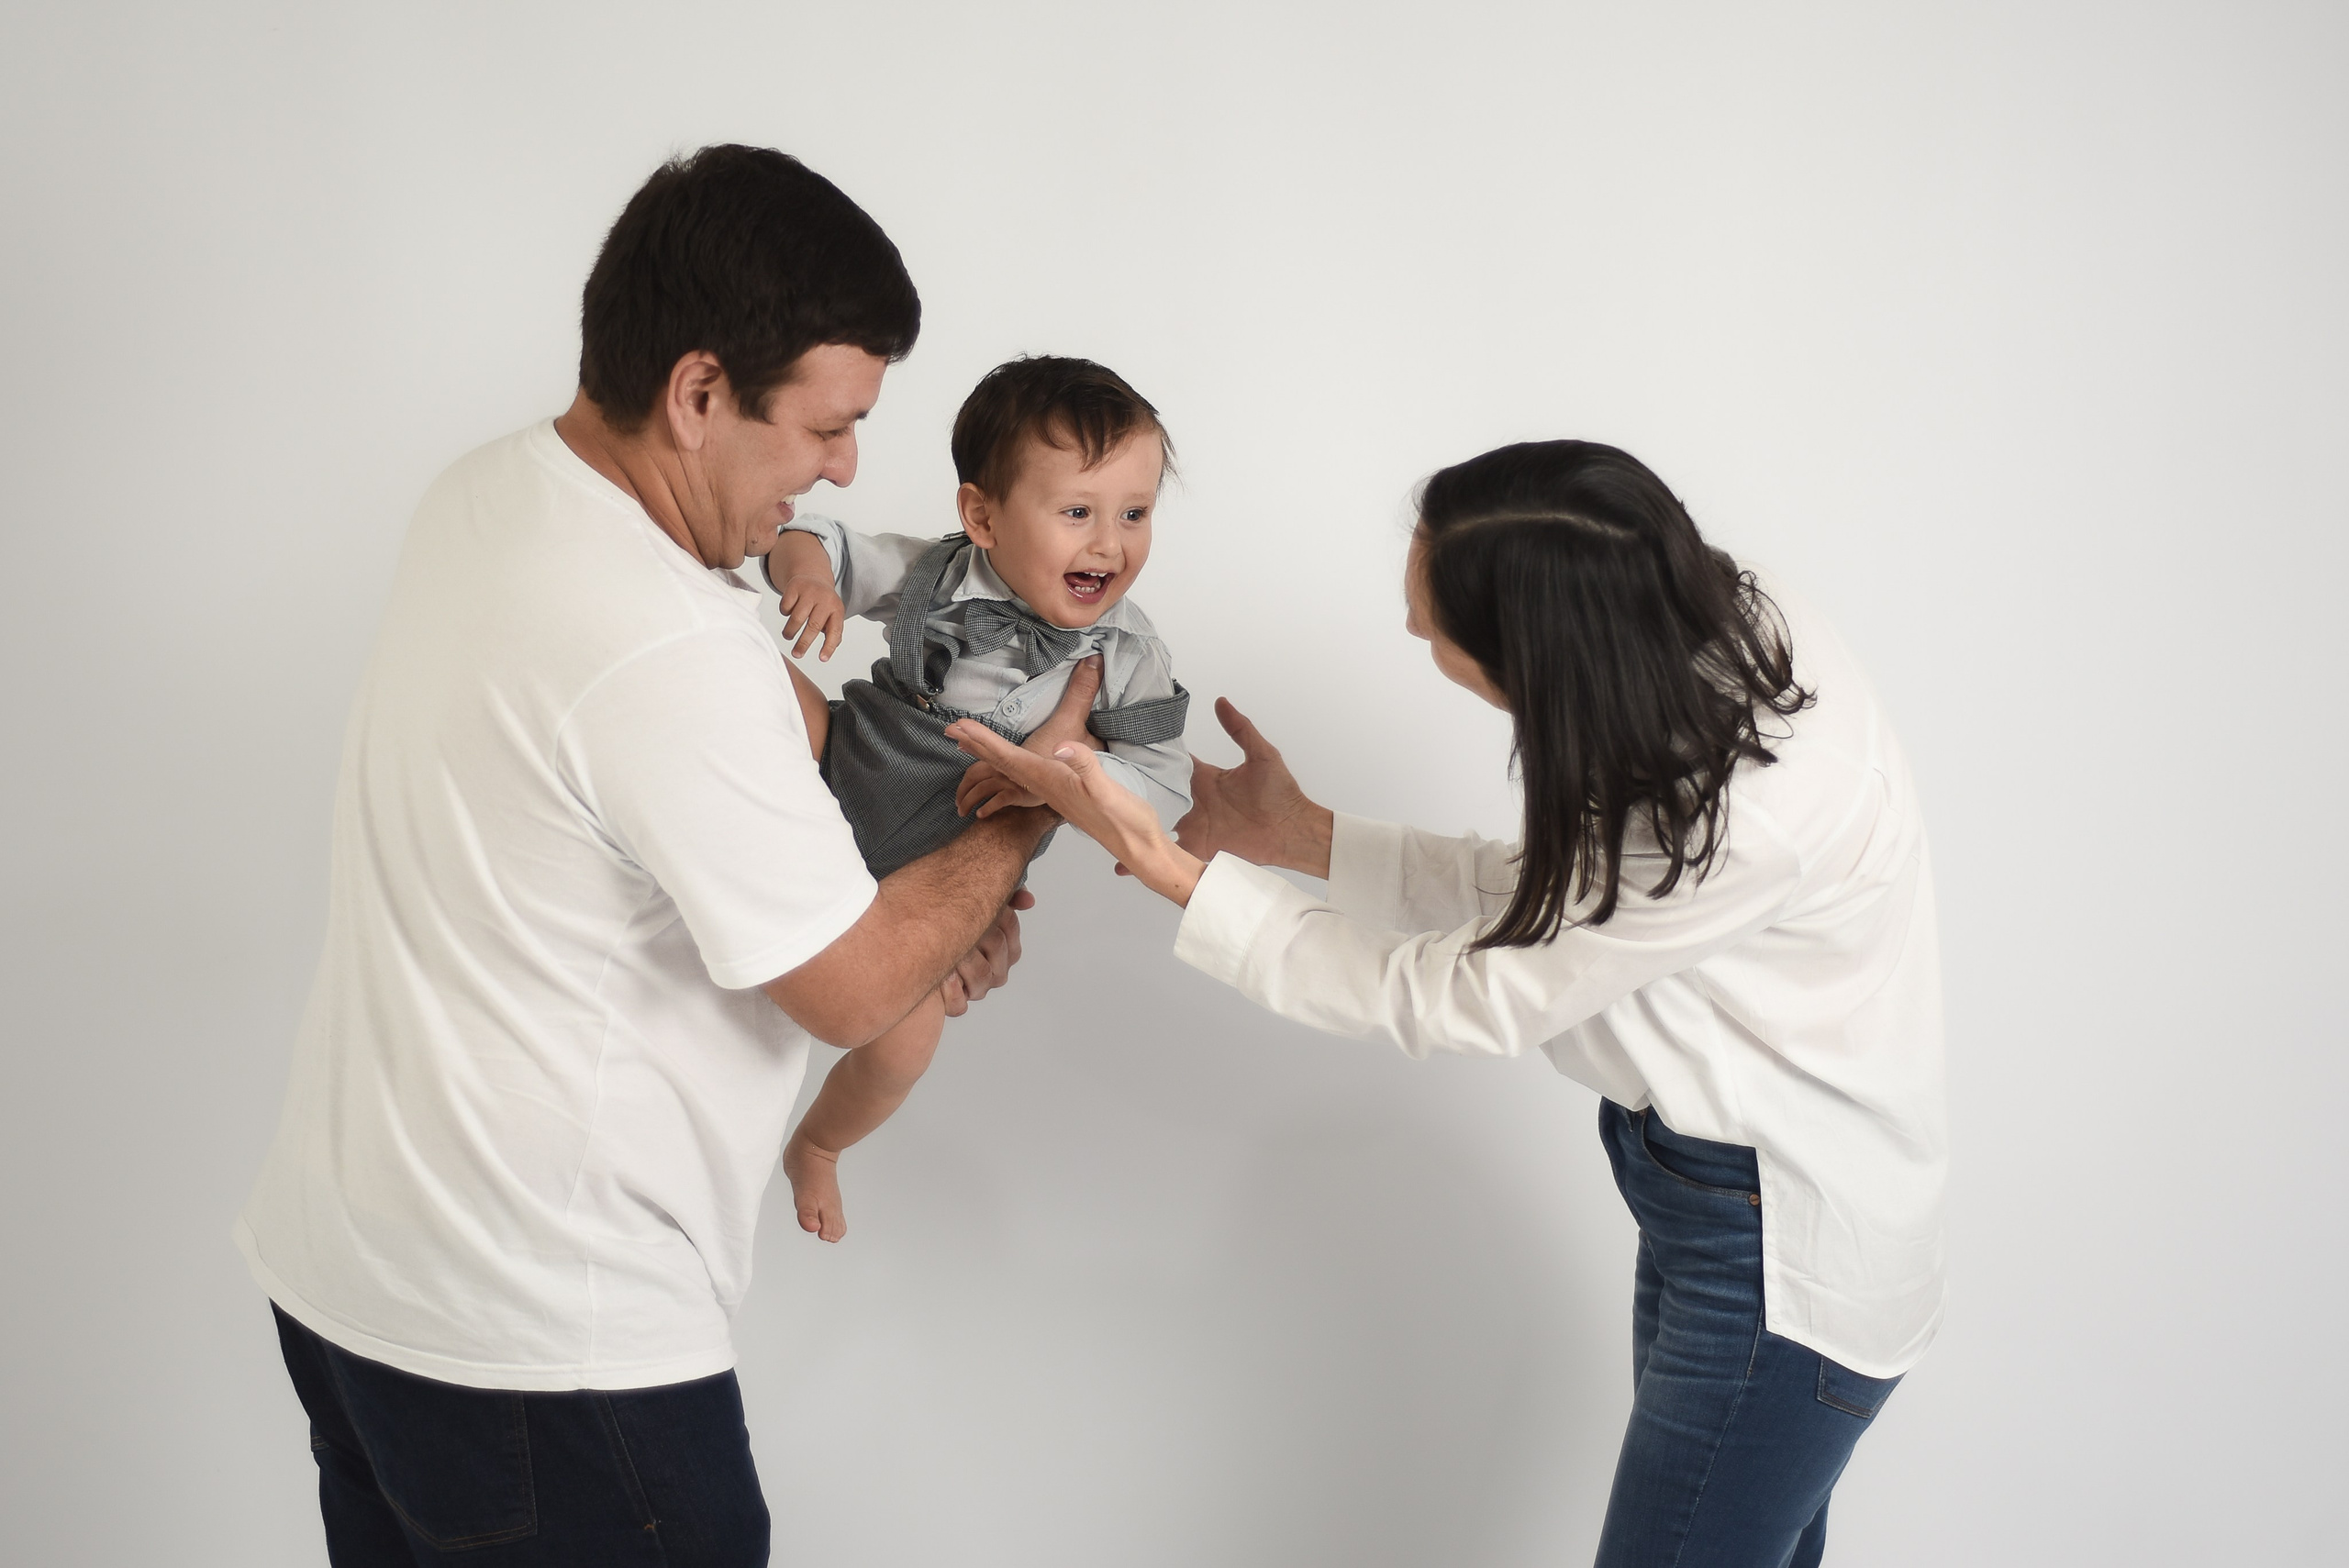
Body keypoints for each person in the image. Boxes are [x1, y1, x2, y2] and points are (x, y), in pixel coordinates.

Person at [235, 145, 1085, 1566]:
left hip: (353, 1284)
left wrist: (937, 872)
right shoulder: (661, 638)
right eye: (827, 427)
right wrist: (1030, 813)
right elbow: (855, 987)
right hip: (545, 1356)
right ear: (699, 393)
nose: (847, 469)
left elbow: (773, 733)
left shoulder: (494, 493)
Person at [951, 439, 1945, 1568]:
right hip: (1706, 1189)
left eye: (1437, 632)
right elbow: (1576, 899)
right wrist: (1308, 838)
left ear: (1545, 661)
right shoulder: (1712, 621)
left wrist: (1178, 873)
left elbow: (1463, 995)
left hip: (1779, 1256)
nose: (1416, 636)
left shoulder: (1742, 813)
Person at [761, 354, 1191, 1242]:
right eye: (1077, 512)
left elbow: (1162, 772)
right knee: (755, 680)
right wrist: (804, 573)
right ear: (982, 514)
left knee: (903, 1042)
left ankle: (821, 1145)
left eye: (1135, 513)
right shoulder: (938, 573)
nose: (1109, 544)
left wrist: (1071, 777)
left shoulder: (1129, 651)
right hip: (843, 763)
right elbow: (823, 539)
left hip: (933, 869)